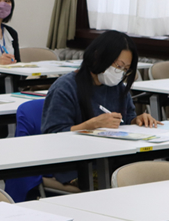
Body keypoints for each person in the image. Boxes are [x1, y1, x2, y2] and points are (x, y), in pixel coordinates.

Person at [42, 30, 159, 185]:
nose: (120, 73)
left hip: (113, 158)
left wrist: (137, 120)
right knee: (125, 186)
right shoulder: (65, 87)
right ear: (98, 56)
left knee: (149, 179)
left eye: (126, 69)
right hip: (77, 164)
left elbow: (127, 119)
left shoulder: (117, 87)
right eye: (118, 65)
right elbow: (52, 135)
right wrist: (90, 126)